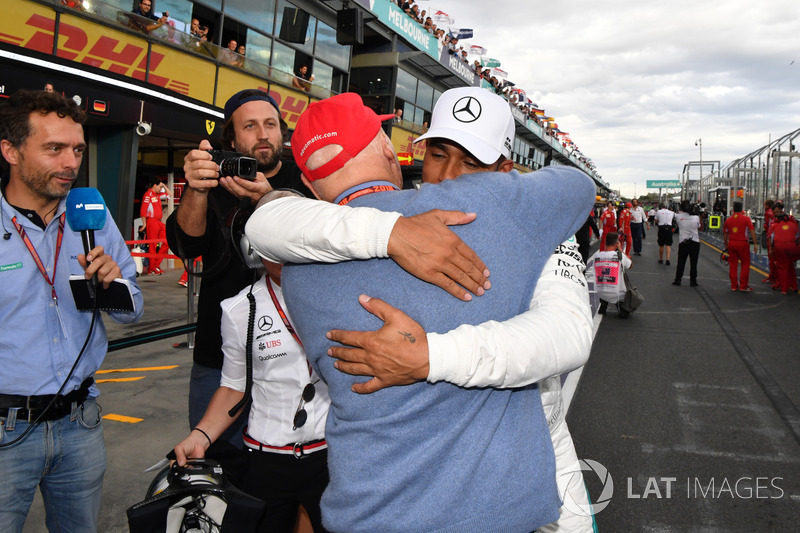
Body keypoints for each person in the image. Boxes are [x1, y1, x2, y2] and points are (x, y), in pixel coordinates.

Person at [247, 91, 596, 532]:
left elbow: (566, 334)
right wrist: (390, 231)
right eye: (437, 154)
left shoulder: (296, 268)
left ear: (506, 173)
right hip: (500, 503)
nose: (448, 176)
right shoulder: (514, 213)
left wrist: (430, 356)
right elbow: (577, 184)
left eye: (471, 164)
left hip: (372, 510)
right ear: (397, 155)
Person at [0, 89, 143, 532]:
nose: (71, 163)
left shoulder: (94, 217)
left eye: (78, 149)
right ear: (10, 151)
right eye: (54, 148)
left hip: (81, 424)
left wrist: (113, 284)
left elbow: (131, 309)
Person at [173, 193, 330, 533]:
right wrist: (200, 435)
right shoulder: (238, 309)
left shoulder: (342, 296)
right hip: (266, 460)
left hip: (332, 457)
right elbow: (233, 387)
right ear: (253, 244)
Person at [165, 89, 311, 448]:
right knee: (214, 466)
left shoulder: (306, 179)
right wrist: (197, 190)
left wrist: (268, 198)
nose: (263, 134)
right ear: (231, 138)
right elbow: (186, 245)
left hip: (297, 358)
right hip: (218, 358)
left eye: (271, 124)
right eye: (250, 126)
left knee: (286, 473)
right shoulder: (213, 179)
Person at [586, 232, 632, 318]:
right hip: (617, 294)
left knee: (604, 278)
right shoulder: (619, 256)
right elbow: (630, 265)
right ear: (617, 243)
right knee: (625, 313)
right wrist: (621, 250)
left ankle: (603, 303)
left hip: (601, 292)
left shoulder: (596, 256)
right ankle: (620, 307)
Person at [723, 201, 757, 292]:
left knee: (733, 265)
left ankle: (734, 286)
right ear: (742, 209)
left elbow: (725, 233)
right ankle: (743, 286)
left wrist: (726, 244)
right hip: (743, 243)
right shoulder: (746, 219)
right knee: (745, 264)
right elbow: (752, 231)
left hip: (732, 243)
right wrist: (755, 244)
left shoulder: (728, 220)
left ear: (733, 209)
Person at [767, 201, 800, 294]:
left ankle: (784, 288)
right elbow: (797, 236)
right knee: (790, 267)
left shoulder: (775, 224)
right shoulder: (793, 222)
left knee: (782, 268)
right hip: (794, 249)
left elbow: (771, 238)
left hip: (781, 248)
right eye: (774, 212)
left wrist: (771, 249)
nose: (775, 214)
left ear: (781, 210)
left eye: (776, 212)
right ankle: (793, 286)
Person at [139, 177, 170, 275]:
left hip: (159, 222)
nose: (161, 189)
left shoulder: (157, 195)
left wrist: (164, 185)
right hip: (151, 222)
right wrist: (144, 224)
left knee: (167, 242)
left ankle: (156, 265)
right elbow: (143, 211)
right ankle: (152, 268)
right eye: (160, 186)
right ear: (155, 185)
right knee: (152, 245)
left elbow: (170, 194)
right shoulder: (148, 195)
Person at [672, 199, 701, 287]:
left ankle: (678, 279)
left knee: (681, 261)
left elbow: (675, 219)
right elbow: (698, 226)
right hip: (694, 241)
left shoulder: (678, 217)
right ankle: (693, 280)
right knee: (694, 262)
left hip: (683, 241)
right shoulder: (696, 217)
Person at [762, 199, 776, 284]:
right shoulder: (773, 213)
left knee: (772, 258)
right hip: (776, 236)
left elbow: (768, 225)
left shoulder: (768, 213)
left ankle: (772, 276)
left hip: (771, 236)